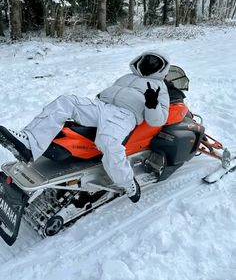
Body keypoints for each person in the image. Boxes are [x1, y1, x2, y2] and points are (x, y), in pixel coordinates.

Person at [0, 51, 170, 203]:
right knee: (66, 101)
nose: (150, 64)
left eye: (156, 62)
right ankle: (29, 144)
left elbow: (158, 120)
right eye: (148, 59)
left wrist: (152, 104)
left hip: (124, 115)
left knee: (108, 142)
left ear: (162, 68)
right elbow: (113, 92)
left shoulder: (160, 88)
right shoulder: (127, 77)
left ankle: (128, 182)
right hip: (102, 106)